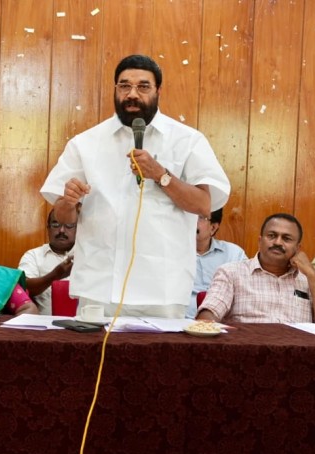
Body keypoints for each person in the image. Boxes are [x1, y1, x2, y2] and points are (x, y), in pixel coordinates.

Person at [40, 54, 231, 318]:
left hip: (161, 290)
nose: (132, 94)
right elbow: (63, 215)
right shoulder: (85, 143)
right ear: (116, 89)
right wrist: (67, 202)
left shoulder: (188, 141)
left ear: (158, 91)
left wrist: (162, 175)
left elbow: (203, 204)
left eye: (143, 86)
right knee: (96, 360)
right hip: (99, 288)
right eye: (124, 86)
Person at [196, 214, 315, 325]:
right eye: (272, 236)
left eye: (286, 238)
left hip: (298, 356)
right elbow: (209, 314)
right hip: (247, 352)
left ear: (298, 248)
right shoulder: (231, 272)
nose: (278, 242)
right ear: (260, 241)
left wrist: (311, 274)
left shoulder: (308, 279)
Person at [187, 208, 247, 318]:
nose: (190, 221)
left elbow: (246, 289)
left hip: (221, 323)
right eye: (188, 216)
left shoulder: (234, 254)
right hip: (180, 321)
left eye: (199, 217)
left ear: (213, 228)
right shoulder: (171, 253)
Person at [17, 210, 75, 315]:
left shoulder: (89, 258)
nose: (62, 230)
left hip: (84, 325)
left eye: (69, 226)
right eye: (56, 224)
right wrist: (54, 276)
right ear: (48, 228)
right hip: (45, 326)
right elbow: (23, 288)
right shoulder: (33, 256)